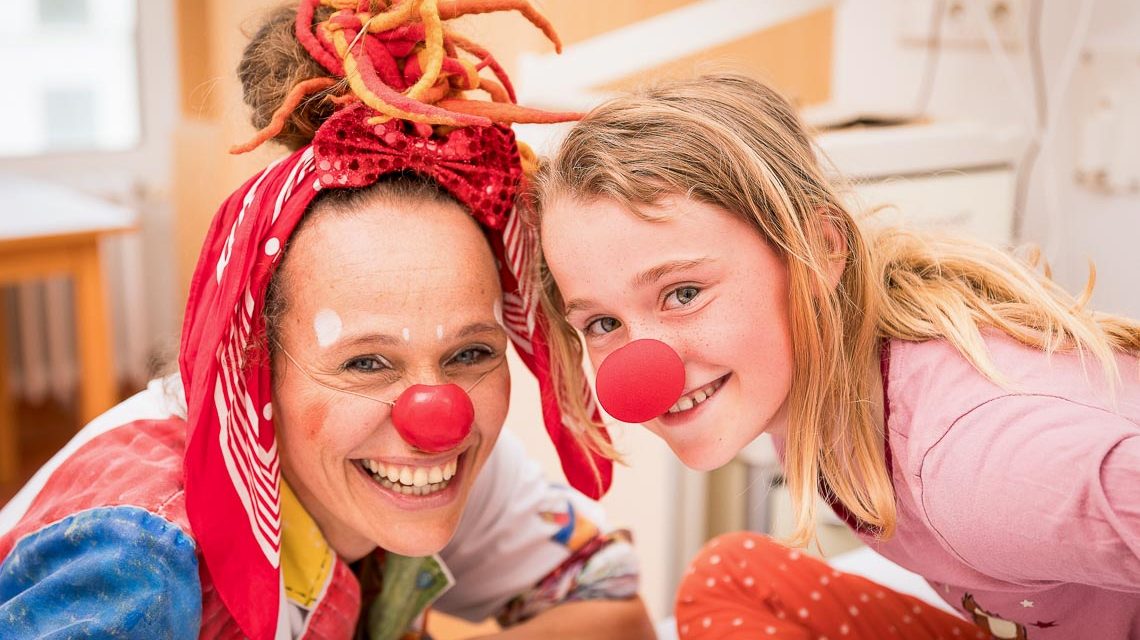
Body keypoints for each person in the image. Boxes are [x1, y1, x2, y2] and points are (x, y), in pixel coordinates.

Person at [0, 2, 656, 638]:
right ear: (256, 370)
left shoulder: (451, 462)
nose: (436, 418)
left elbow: (618, 616)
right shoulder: (138, 562)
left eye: (469, 353)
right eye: (366, 361)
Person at [532, 73, 1140, 639]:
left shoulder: (977, 468)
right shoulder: (809, 390)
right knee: (729, 575)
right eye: (604, 323)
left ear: (817, 252)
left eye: (683, 293)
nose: (645, 376)